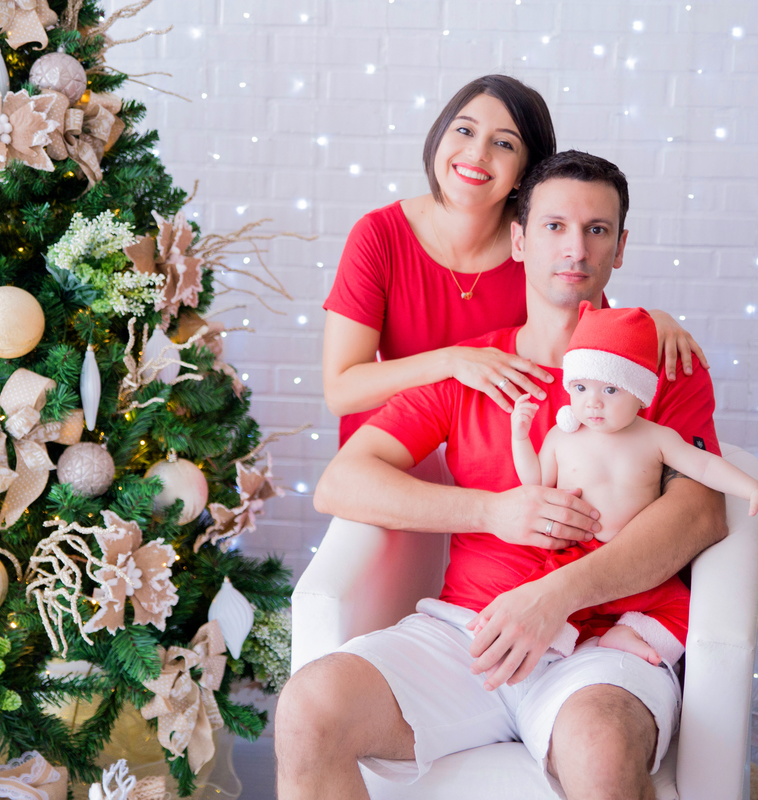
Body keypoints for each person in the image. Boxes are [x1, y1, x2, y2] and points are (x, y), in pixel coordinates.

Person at [276, 151, 728, 800]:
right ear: (518, 238)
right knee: (310, 709)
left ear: (621, 247)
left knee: (601, 751)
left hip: (608, 646)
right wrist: (491, 512)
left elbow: (700, 514)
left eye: (597, 229)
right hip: (468, 633)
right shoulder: (476, 368)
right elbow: (341, 483)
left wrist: (557, 598)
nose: (575, 247)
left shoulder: (667, 366)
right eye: (553, 227)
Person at [322, 75, 707, 450]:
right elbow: (340, 391)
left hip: (494, 450)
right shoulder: (379, 235)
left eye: (504, 143)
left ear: (525, 173)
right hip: (391, 444)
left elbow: (591, 345)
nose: (477, 153)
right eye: (464, 131)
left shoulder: (543, 243)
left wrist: (653, 321)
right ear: (438, 137)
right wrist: (453, 362)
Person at [501, 301, 758, 668]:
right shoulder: (562, 437)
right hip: (574, 560)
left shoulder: (656, 438)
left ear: (639, 393)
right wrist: (520, 438)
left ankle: (627, 633)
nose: (593, 403)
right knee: (534, 607)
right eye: (582, 387)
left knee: (686, 613)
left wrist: (753, 489)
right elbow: (535, 482)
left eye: (611, 390)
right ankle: (560, 652)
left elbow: (704, 466)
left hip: (638, 567)